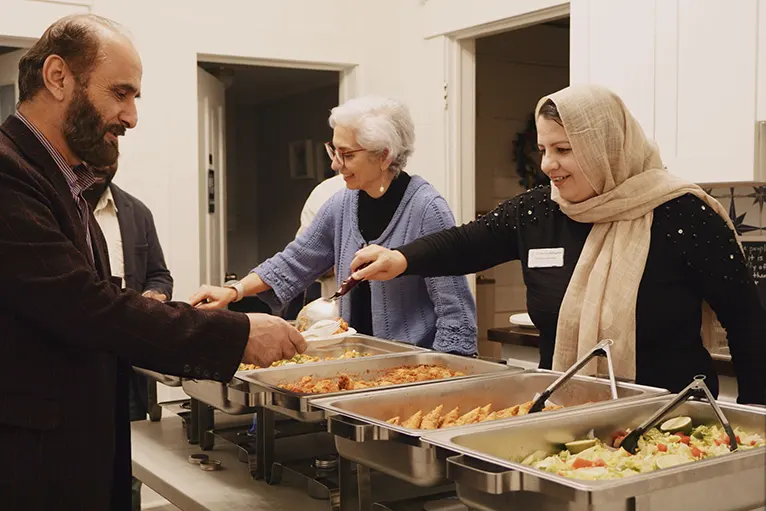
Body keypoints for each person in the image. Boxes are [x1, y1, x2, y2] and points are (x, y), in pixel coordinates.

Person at [0, 14, 305, 510]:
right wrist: (236, 333)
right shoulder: (9, 172)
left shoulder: (65, 179)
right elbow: (84, 307)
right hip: (33, 463)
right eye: (120, 93)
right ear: (58, 78)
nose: (131, 116)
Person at [350, 84, 766, 405]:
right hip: (567, 417)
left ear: (605, 148)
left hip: (672, 421)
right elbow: (469, 242)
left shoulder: (684, 215)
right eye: (544, 149)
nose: (548, 165)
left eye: (564, 150)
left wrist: (756, 419)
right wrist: (401, 257)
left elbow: (749, 326)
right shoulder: (539, 211)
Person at [191, 96, 477, 355]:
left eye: (347, 154)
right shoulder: (343, 203)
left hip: (411, 369)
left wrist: (442, 375)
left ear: (384, 156)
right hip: (357, 362)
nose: (335, 165)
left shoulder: (426, 209)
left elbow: (456, 313)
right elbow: (294, 261)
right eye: (334, 151)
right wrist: (234, 291)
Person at [84, 161, 173, 511]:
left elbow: (160, 275)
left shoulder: (137, 211)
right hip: (81, 360)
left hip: (131, 361)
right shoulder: (58, 207)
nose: (105, 163)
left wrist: (155, 297)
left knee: (133, 458)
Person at [297, 173, 346, 298]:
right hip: (336, 307)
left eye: (349, 155)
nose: (335, 165)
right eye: (334, 154)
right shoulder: (326, 192)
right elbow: (304, 261)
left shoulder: (403, 194)